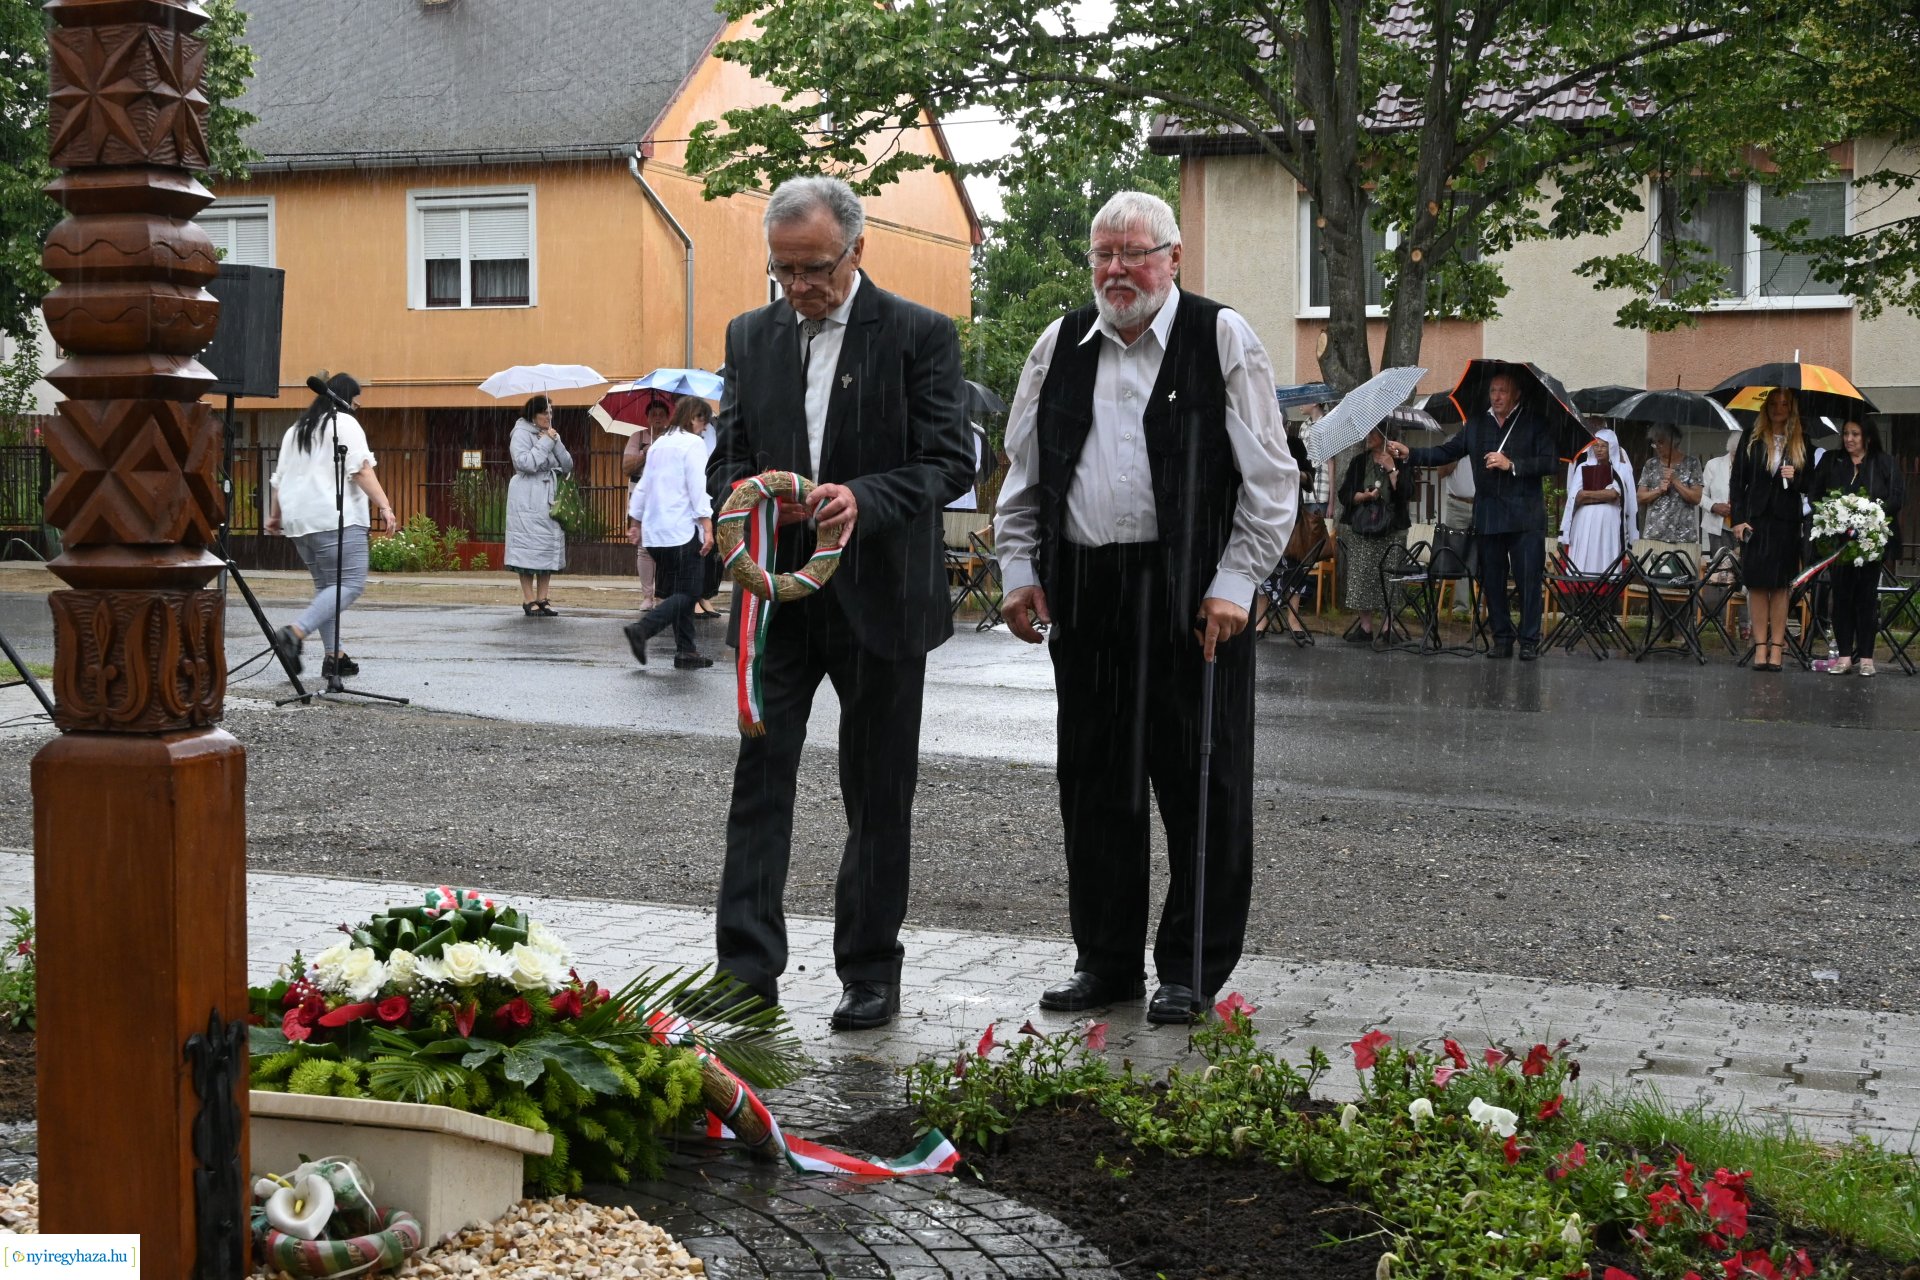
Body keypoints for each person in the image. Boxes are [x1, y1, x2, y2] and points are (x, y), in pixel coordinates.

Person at [996, 190, 1297, 1025]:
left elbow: (1272, 481)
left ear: (1173, 258)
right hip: (1087, 593)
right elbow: (1024, 472)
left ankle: (1191, 970)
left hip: (1196, 600)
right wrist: (1019, 568)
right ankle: (1105, 961)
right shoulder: (1058, 344)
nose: (1118, 269)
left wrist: (1237, 583)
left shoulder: (1220, 337)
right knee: (1096, 785)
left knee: (1202, 783)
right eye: (1104, 254)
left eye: (1135, 253)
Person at [706, 175, 973, 1031]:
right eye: (784, 271)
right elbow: (729, 456)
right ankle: (745, 973)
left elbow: (949, 461)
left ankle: (869, 972)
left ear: (858, 249)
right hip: (779, 597)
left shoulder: (919, 335)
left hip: (882, 598)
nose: (801, 289)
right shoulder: (750, 336)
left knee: (877, 791)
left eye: (815, 268)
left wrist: (864, 496)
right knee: (760, 784)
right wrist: (744, 498)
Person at [1389, 368, 1557, 660]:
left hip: (1525, 518)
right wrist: (1411, 454)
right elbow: (1446, 452)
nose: (1497, 396)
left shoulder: (1534, 423)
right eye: (1493, 391)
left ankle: (1529, 640)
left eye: (1503, 391)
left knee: (1528, 579)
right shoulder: (1477, 424)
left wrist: (1512, 463)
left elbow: (1550, 462)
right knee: (1492, 579)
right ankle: (1502, 638)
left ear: (1516, 393)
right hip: (1489, 515)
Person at [265, 372, 396, 679]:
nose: (356, 408)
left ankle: (334, 657)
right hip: (333, 517)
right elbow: (362, 471)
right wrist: (386, 507)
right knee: (350, 585)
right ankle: (295, 633)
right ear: (345, 399)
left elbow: (279, 478)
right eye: (356, 402)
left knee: (328, 589)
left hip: (300, 522)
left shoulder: (296, 430)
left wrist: (275, 515)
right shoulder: (344, 423)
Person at [625, 397, 715, 669]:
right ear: (693, 418)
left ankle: (686, 651)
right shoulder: (693, 444)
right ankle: (642, 630)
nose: (704, 428)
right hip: (681, 530)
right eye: (704, 422)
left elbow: (643, 485)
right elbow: (697, 486)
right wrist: (707, 524)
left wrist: (635, 521)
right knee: (690, 591)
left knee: (678, 591)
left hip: (656, 533)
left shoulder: (659, 443)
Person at [1813, 419, 1906, 677]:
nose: (1849, 439)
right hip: (1840, 544)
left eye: (1855, 434)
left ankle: (1866, 657)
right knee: (1841, 598)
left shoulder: (1883, 463)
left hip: (1871, 543)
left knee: (1865, 600)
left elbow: (1897, 497)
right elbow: (1816, 494)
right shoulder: (1833, 461)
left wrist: (1871, 515)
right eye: (1846, 434)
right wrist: (1834, 515)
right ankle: (1844, 657)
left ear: (1867, 436)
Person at [1728, 387, 1808, 672]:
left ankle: (1777, 647)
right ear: (1766, 407)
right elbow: (1737, 484)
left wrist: (1796, 477)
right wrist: (1737, 519)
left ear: (1791, 409)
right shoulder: (1752, 439)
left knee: (1781, 586)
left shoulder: (1800, 440)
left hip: (1786, 523)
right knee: (1758, 584)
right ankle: (1759, 646)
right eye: (1774, 403)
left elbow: (1812, 485)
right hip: (1756, 521)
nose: (1778, 408)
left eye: (1785, 404)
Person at [1336, 425, 1415, 649]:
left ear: (1385, 436)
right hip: (1363, 528)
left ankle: (1389, 627)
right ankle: (1366, 627)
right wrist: (1362, 496)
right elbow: (1344, 494)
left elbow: (1407, 494)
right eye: (1367, 432)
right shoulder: (1359, 462)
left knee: (1390, 577)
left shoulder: (1401, 461)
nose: (1367, 437)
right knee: (1362, 576)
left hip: (1392, 530)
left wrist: (1391, 470)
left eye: (1372, 433)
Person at [506, 395, 573, 617]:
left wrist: (555, 441)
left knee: (546, 545)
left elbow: (567, 464)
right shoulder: (521, 433)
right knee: (527, 547)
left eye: (551, 412)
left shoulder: (550, 434)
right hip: (527, 497)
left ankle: (543, 597)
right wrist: (545, 443)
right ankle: (528, 599)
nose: (549, 416)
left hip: (549, 495)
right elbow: (524, 463)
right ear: (533, 414)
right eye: (545, 412)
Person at [1558, 427, 1637, 575]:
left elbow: (1614, 494)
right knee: (1582, 563)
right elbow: (1577, 496)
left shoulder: (1622, 469)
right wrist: (1602, 494)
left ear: (1611, 447)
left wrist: (1588, 495)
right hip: (1583, 524)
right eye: (1596, 445)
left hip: (1609, 525)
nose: (1599, 449)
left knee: (1605, 561)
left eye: (1603, 446)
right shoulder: (1583, 467)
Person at [622, 394, 674, 610]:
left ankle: (663, 594)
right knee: (644, 548)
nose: (658, 419)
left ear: (668, 418)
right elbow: (626, 468)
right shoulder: (638, 437)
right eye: (654, 415)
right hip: (641, 499)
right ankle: (647, 595)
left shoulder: (673, 438)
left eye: (662, 415)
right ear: (647, 418)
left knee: (665, 546)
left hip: (666, 500)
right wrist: (645, 453)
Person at [1635, 423, 1703, 568]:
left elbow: (1696, 498)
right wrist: (1658, 490)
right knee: (1652, 577)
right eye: (1655, 442)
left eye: (1661, 442)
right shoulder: (1651, 464)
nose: (1657, 446)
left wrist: (1676, 482)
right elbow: (1640, 497)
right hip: (1655, 533)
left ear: (1674, 441)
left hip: (1683, 535)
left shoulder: (1692, 463)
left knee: (1682, 580)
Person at [1700, 428, 1741, 557]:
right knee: (1721, 566)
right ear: (1730, 450)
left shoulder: (1752, 469)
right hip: (1718, 527)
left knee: (1742, 569)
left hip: (1742, 526)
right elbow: (1700, 495)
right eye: (1735, 454)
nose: (1738, 459)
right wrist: (1714, 506)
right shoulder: (1713, 465)